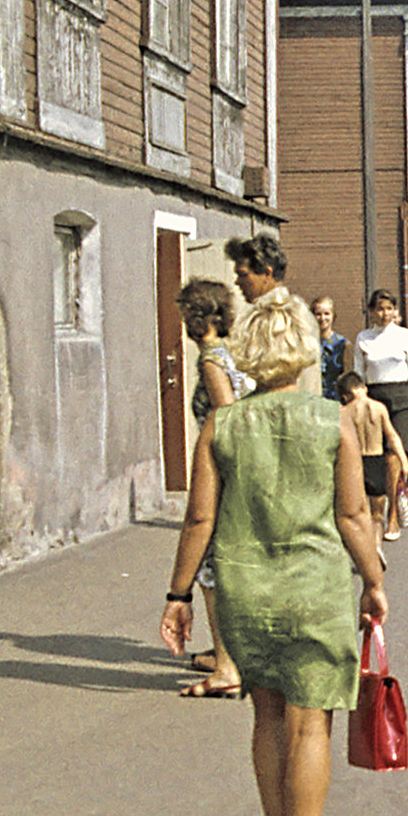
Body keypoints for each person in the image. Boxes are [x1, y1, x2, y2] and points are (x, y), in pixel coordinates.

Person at [160, 288, 387, 816]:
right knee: (310, 724)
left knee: (266, 716)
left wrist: (179, 595)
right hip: (315, 590)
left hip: (248, 591)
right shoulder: (332, 420)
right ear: (304, 350)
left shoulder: (223, 424)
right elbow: (353, 514)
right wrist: (373, 582)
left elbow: (199, 519)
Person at [177, 278, 254, 698]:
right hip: (240, 468)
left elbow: (226, 415)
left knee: (211, 569)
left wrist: (219, 476)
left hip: (223, 470)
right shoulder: (230, 353)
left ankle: (227, 666)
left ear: (196, 317)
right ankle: (230, 653)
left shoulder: (211, 361)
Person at [355, 289, 408, 472]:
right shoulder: (363, 338)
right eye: (380, 309)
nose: (384, 314)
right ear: (371, 311)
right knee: (376, 455)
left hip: (401, 400)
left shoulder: (406, 336)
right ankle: (385, 489)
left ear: (394, 310)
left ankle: (394, 491)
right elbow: (359, 377)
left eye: (389, 309)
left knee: (394, 453)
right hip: (374, 398)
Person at [339, 373, 408, 548]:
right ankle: (376, 546)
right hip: (376, 462)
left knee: (359, 513)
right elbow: (392, 436)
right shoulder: (379, 408)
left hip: (355, 464)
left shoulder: (346, 412)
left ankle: (363, 546)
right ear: (364, 388)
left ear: (346, 395)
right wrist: (404, 461)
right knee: (377, 515)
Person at [313, 297, 348, 394]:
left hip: (335, 396)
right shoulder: (307, 343)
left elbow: (347, 376)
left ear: (333, 316)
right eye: (318, 314)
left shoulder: (342, 344)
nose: (322, 318)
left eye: (326, 314)